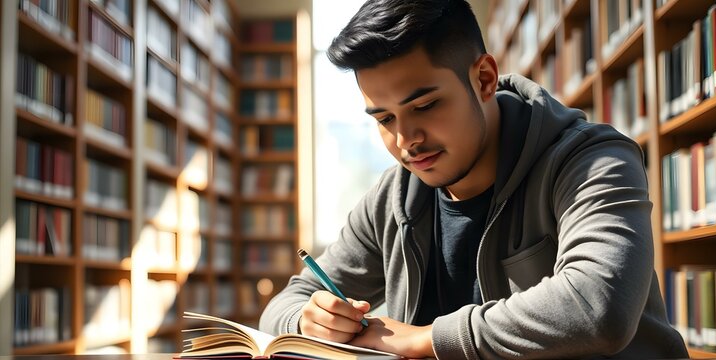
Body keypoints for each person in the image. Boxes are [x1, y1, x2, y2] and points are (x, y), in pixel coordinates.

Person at [259, 0, 688, 358]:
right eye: (385, 118)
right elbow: (284, 304)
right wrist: (310, 318)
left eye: (425, 106)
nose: (407, 140)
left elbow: (600, 306)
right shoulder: (392, 197)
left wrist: (424, 339)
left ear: (483, 78)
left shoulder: (591, 159)